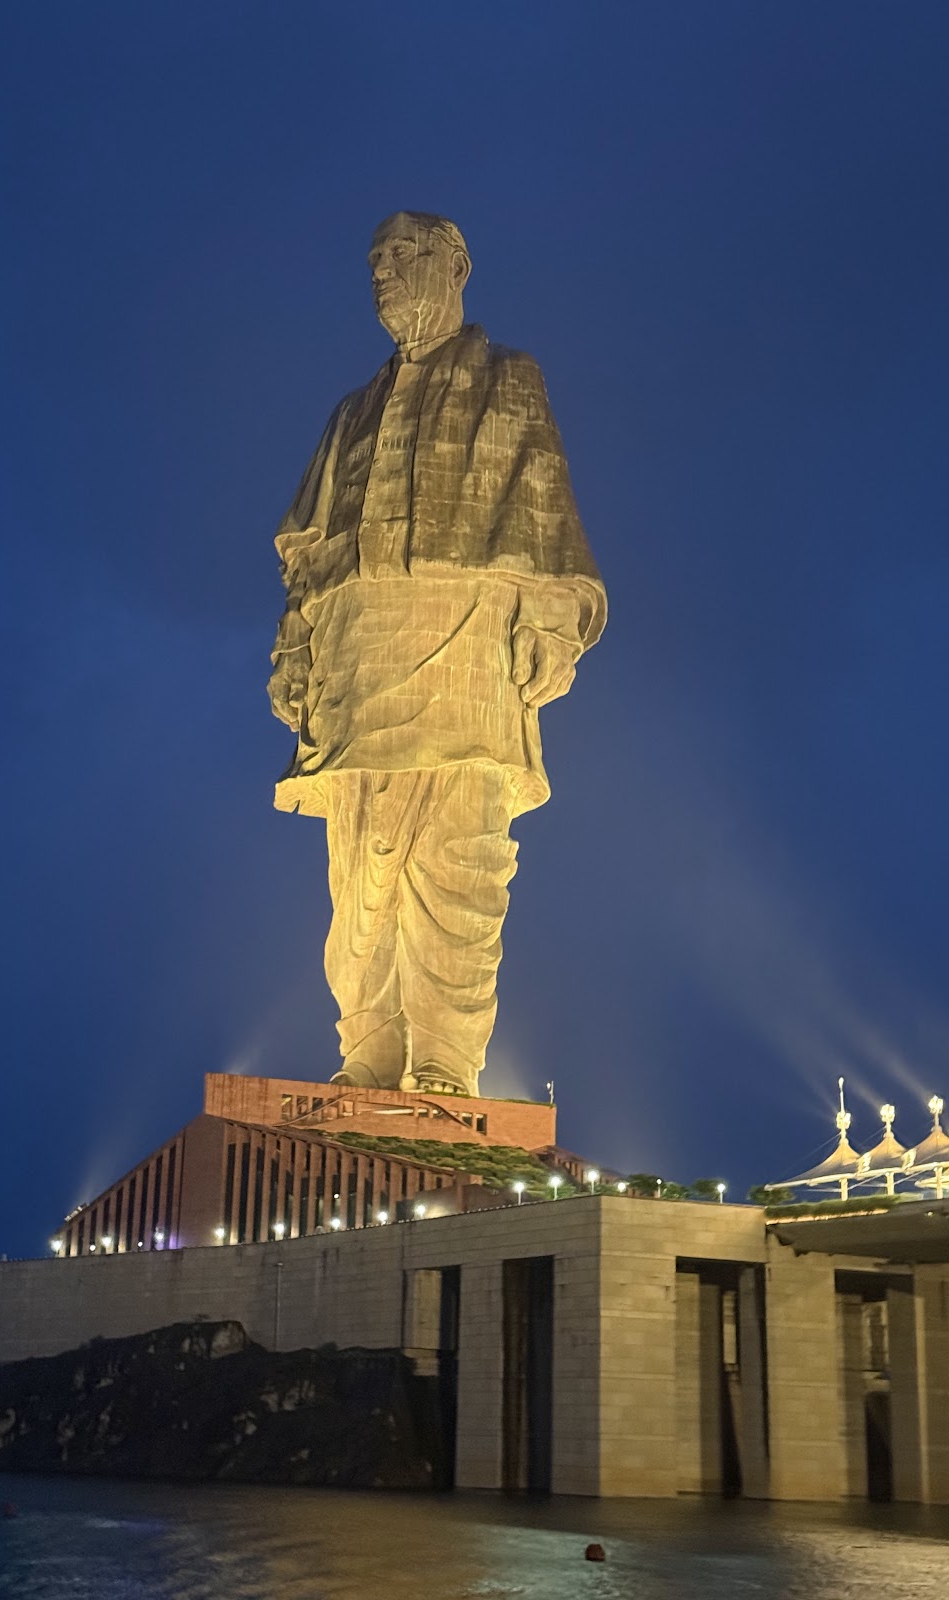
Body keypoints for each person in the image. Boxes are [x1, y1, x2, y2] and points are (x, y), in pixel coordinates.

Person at [269, 212, 605, 1096]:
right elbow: (306, 552)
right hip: (356, 654)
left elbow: (543, 507)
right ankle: (370, 1050)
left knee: (459, 857)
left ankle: (446, 1063)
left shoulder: (508, 380)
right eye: (375, 260)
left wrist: (551, 620)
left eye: (405, 255)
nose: (384, 272)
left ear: (456, 265)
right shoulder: (353, 412)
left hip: (465, 636)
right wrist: (295, 654)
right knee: (360, 872)